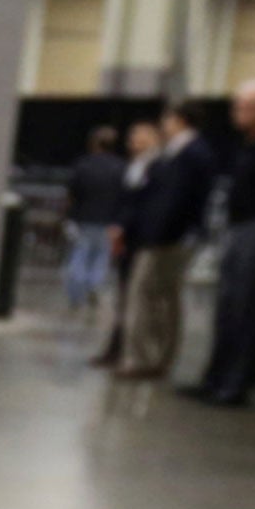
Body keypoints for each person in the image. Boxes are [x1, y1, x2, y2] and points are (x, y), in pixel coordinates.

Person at [185, 82, 255, 405]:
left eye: (246, 107)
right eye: (237, 106)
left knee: (245, 310)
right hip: (238, 228)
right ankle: (215, 378)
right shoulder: (245, 146)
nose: (239, 113)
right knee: (226, 308)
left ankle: (234, 385)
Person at [112, 102, 216, 381]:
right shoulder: (186, 153)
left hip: (164, 239)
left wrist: (155, 235)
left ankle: (142, 358)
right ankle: (159, 356)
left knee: (145, 296)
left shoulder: (189, 154)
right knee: (165, 299)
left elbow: (173, 200)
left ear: (179, 120)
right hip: (170, 237)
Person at [93, 120, 160, 369]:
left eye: (140, 136)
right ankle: (117, 347)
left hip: (138, 239)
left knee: (135, 298)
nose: (134, 140)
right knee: (123, 295)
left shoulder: (154, 168)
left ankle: (130, 351)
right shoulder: (133, 166)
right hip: (126, 239)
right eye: (133, 135)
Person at [62, 126, 124, 311]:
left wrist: (68, 216)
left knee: (79, 256)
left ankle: (75, 294)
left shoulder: (83, 165)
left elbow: (72, 194)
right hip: (109, 221)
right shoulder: (120, 167)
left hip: (84, 219)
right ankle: (94, 287)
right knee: (101, 258)